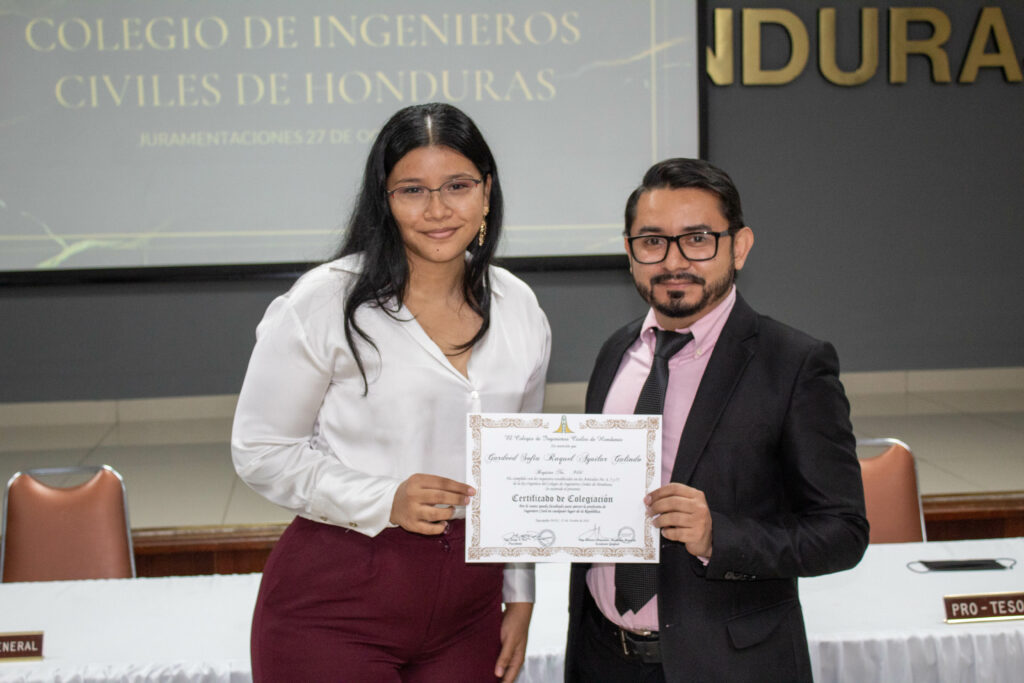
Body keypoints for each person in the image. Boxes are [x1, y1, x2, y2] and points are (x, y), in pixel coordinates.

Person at [232, 103, 551, 682]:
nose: (437, 210)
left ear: (486, 192)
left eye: (457, 186)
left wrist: (520, 592)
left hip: (469, 610)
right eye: (412, 190)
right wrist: (384, 499)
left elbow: (519, 470)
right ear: (385, 199)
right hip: (335, 603)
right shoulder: (325, 301)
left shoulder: (519, 307)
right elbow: (260, 449)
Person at [564, 158, 869, 682]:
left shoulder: (794, 364)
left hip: (730, 665)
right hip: (602, 658)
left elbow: (842, 532)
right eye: (653, 241)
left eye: (698, 238)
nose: (673, 260)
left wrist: (718, 537)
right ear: (629, 251)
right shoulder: (616, 352)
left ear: (740, 246)